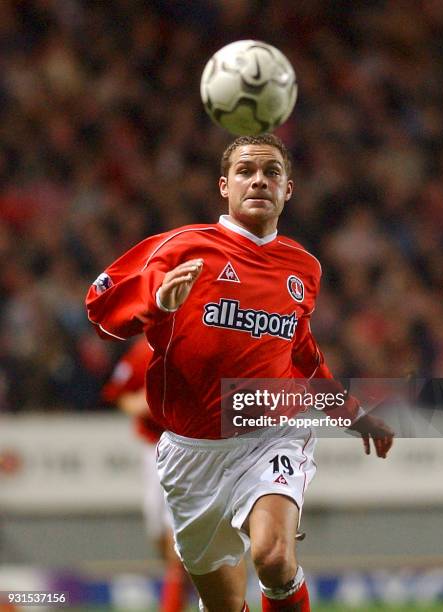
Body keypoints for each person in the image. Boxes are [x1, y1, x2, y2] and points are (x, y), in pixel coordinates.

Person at [86, 133, 394, 611]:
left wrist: (353, 415)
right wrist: (157, 300)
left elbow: (303, 355)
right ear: (224, 186)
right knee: (225, 605)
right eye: (247, 171)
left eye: (272, 172)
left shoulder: (303, 268)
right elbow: (100, 308)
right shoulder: (183, 246)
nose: (259, 180)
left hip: (271, 432)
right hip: (191, 453)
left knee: (273, 557)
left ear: (288, 189)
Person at [102, 336, 189, 612]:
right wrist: (139, 404)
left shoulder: (194, 343)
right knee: (157, 529)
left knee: (177, 536)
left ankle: (175, 600)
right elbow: (118, 392)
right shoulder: (142, 351)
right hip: (152, 449)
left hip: (188, 447)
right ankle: (185, 583)